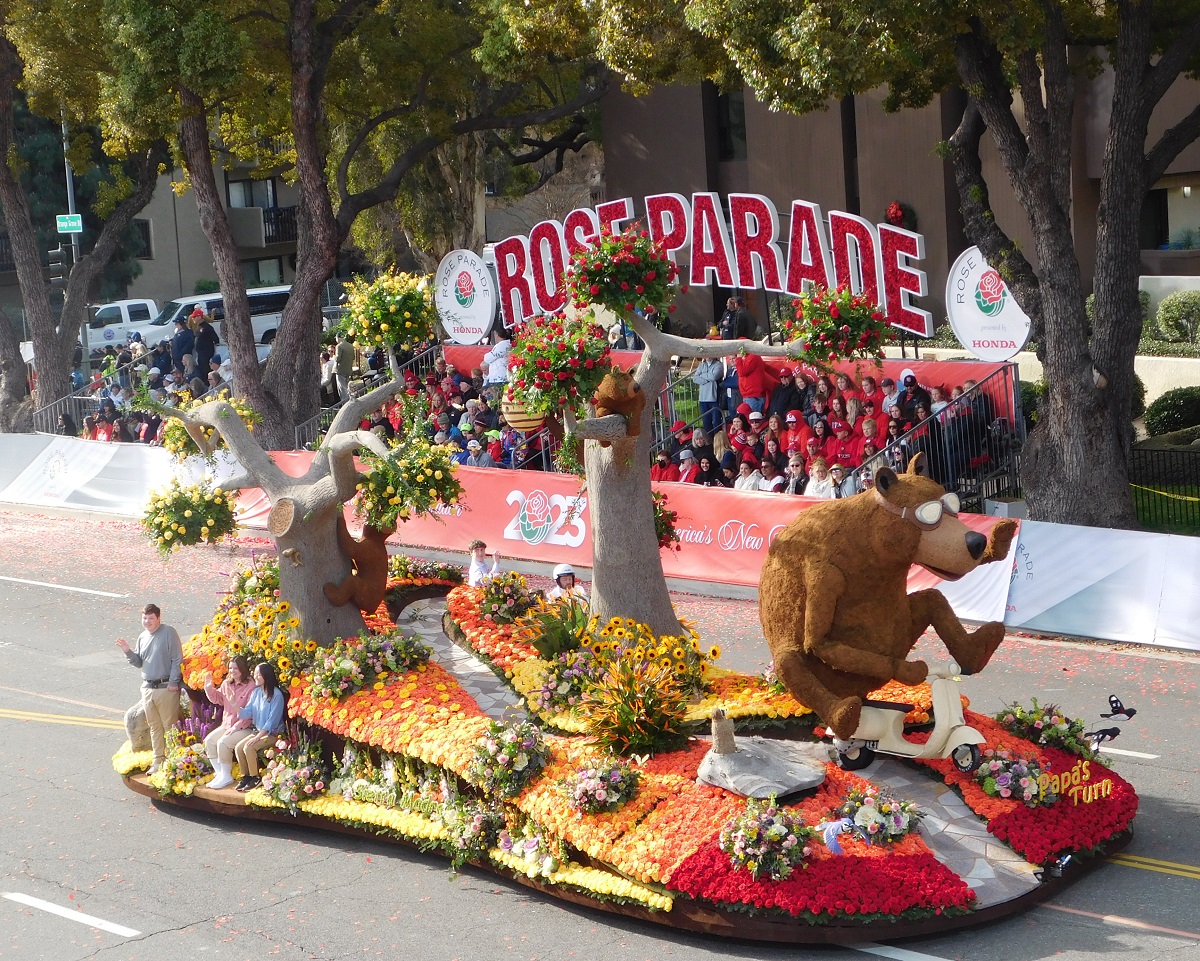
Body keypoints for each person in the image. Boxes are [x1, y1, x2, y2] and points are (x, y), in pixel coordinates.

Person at [116, 603, 183, 774]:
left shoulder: (168, 632)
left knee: (170, 726)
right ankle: (158, 761)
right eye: (144, 618)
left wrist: (174, 682)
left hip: (165, 688)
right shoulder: (142, 637)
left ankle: (174, 760)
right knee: (154, 726)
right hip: (147, 688)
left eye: (151, 618)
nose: (147, 621)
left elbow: (177, 659)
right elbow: (139, 662)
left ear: (159, 618)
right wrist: (127, 651)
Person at [202, 655, 256, 789]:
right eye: (231, 668)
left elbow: (251, 712)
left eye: (236, 668)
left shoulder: (251, 686)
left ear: (243, 669)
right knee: (209, 740)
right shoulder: (227, 684)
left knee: (223, 742)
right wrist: (209, 688)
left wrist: (237, 727)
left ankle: (226, 775)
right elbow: (218, 700)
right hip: (227, 724)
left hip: (245, 727)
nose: (233, 671)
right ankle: (220, 774)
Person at [233, 662, 289, 792]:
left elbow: (272, 722)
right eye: (255, 673)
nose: (255, 676)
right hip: (258, 731)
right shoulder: (256, 692)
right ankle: (246, 776)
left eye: (258, 674)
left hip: (272, 734)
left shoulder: (276, 695)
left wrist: (258, 737)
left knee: (249, 747)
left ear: (266, 676)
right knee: (238, 747)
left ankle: (255, 777)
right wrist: (235, 704)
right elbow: (247, 712)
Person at [690, 357, 724, 434]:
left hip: (714, 397)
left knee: (716, 421)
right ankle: (709, 440)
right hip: (703, 398)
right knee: (706, 421)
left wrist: (702, 375)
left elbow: (714, 377)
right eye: (706, 355)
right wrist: (708, 378)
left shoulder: (719, 365)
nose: (708, 356)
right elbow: (695, 378)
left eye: (710, 354)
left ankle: (717, 440)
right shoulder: (702, 365)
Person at [334, 332, 356, 402]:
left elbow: (338, 359)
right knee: (347, 387)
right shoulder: (351, 346)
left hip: (340, 370)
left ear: (338, 338)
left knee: (342, 389)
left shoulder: (339, 346)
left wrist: (334, 357)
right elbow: (353, 357)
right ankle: (351, 401)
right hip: (348, 369)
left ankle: (346, 404)